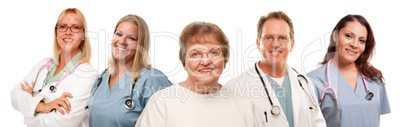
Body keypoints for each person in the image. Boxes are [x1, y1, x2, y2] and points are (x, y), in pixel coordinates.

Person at [136, 21, 265, 127]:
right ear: (184, 62)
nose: (205, 61)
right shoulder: (161, 104)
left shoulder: (245, 106)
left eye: (214, 52)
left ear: (225, 61)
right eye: (195, 54)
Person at [226, 11, 326, 127]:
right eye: (268, 38)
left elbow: (318, 123)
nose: (275, 44)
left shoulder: (304, 83)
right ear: (258, 44)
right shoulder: (235, 88)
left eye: (282, 38)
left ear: (292, 44)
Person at [10, 8, 97, 127]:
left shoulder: (88, 75)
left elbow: (61, 123)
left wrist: (28, 113)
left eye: (75, 27)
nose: (68, 32)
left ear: (83, 35)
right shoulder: (43, 65)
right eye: (63, 27)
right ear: (56, 33)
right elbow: (15, 95)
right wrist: (42, 106)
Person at [86, 14, 172, 126]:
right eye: (119, 34)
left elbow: (173, 119)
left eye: (131, 38)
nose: (122, 41)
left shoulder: (152, 79)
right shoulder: (102, 77)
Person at [307, 14, 390, 127]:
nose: (354, 44)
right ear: (335, 36)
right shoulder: (312, 81)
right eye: (349, 36)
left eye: (361, 40)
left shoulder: (375, 79)